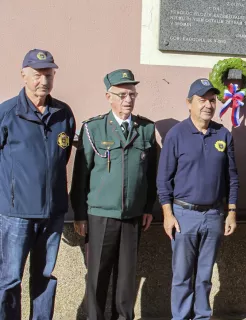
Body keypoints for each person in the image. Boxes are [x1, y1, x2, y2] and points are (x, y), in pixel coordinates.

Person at [70, 69, 157, 320]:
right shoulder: (94, 129)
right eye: (122, 95)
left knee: (127, 278)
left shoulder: (146, 130)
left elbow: (150, 175)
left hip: (132, 216)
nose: (128, 100)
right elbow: (81, 176)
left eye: (132, 94)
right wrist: (79, 214)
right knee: (97, 274)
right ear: (109, 97)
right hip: (100, 215)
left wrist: (147, 207)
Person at [0, 49, 76, 320]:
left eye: (48, 74)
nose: (43, 80)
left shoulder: (63, 114)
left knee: (45, 278)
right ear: (23, 75)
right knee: (9, 280)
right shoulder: (7, 113)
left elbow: (62, 159)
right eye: (37, 74)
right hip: (15, 214)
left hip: (52, 214)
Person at [157, 78, 239, 320]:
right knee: (182, 276)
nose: (208, 105)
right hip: (184, 215)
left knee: (204, 276)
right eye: (202, 100)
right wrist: (168, 214)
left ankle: (202, 316)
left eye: (212, 100)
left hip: (214, 215)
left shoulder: (222, 134)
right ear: (189, 103)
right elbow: (163, 180)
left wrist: (232, 211)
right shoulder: (176, 135)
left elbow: (232, 177)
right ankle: (180, 317)